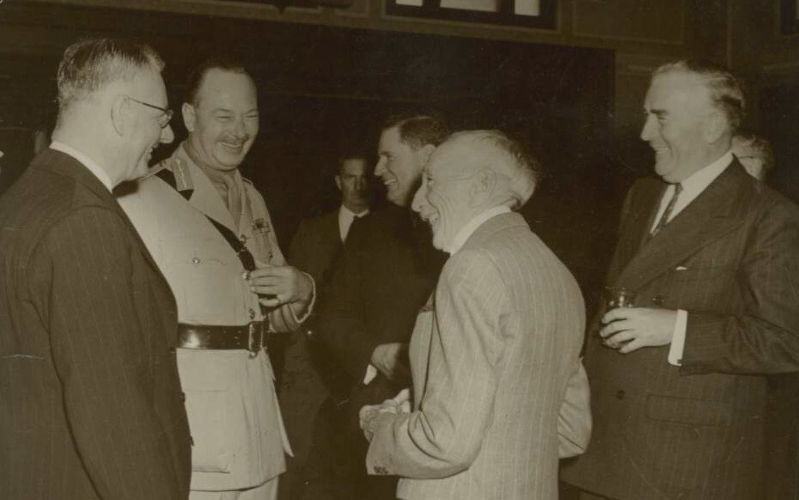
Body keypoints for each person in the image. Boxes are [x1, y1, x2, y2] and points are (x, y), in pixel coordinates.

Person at [560, 60, 799, 499]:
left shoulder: (770, 217)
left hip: (684, 465)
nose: (644, 133)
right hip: (602, 447)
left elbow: (785, 341)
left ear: (711, 126)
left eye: (660, 117)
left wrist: (677, 328)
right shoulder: (642, 195)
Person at [0, 38, 191, 500]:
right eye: (161, 118)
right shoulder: (84, 221)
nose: (166, 137)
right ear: (124, 111)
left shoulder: (24, 200)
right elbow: (112, 412)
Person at [118, 58, 315, 500]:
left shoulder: (253, 197)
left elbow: (272, 316)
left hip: (261, 428)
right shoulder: (145, 194)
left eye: (250, 117)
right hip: (196, 433)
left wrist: (301, 289)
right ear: (189, 117)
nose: (239, 131)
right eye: (224, 116)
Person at [360, 130, 588, 500]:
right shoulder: (557, 274)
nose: (418, 202)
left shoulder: (471, 267)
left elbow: (446, 443)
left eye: (430, 182)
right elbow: (568, 431)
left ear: (482, 185)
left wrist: (382, 424)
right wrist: (427, 402)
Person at [302, 114, 449, 500]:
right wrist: (375, 353)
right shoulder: (371, 231)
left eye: (389, 158)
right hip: (375, 420)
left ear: (429, 157)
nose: (378, 170)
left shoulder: (468, 234)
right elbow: (331, 318)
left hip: (448, 424)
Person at [278, 152, 371, 499]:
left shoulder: (388, 233)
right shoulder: (311, 230)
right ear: (338, 182)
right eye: (350, 178)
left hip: (358, 371)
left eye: (365, 178)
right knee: (296, 461)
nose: (358, 186)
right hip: (309, 368)